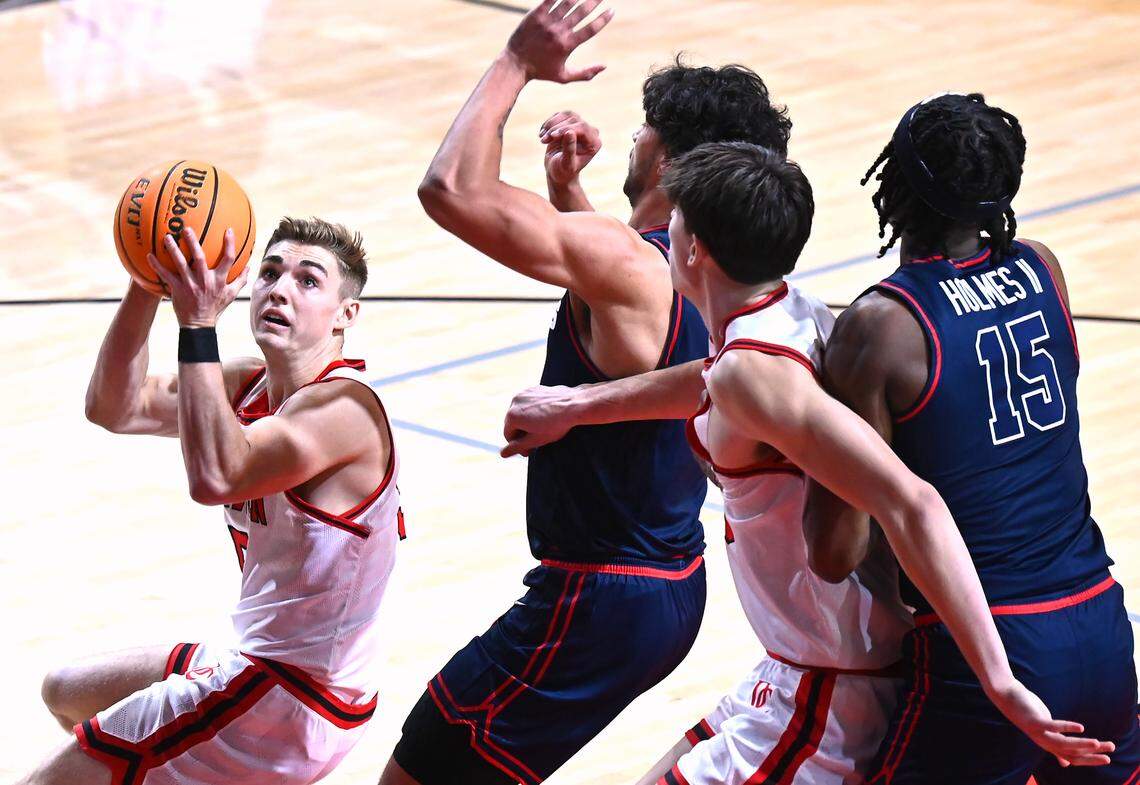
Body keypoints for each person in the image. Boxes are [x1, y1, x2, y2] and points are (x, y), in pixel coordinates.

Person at [500, 141, 1109, 785]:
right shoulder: (787, 318)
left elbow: (913, 502)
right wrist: (576, 405)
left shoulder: (751, 371)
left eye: (672, 220)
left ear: (694, 249)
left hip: (836, 682)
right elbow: (712, 381)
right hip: (798, 662)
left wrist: (1000, 680)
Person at [381, 1, 794, 784]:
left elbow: (448, 189)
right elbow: (643, 325)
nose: (632, 137)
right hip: (666, 582)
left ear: (669, 160)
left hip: (598, 595)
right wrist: (569, 194)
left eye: (645, 128)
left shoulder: (626, 262)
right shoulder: (720, 270)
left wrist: (516, 60)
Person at [803, 92, 1137, 784]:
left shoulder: (882, 326)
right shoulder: (1044, 268)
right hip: (1101, 626)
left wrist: (791, 437)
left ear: (895, 191)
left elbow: (836, 550)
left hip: (987, 642)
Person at [20, 217, 402, 785]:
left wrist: (197, 323)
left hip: (294, 695)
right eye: (270, 272)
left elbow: (218, 479)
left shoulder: (343, 412)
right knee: (68, 693)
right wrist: (148, 283)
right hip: (258, 664)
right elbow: (113, 406)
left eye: (308, 280)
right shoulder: (248, 385)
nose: (279, 288)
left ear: (347, 315)